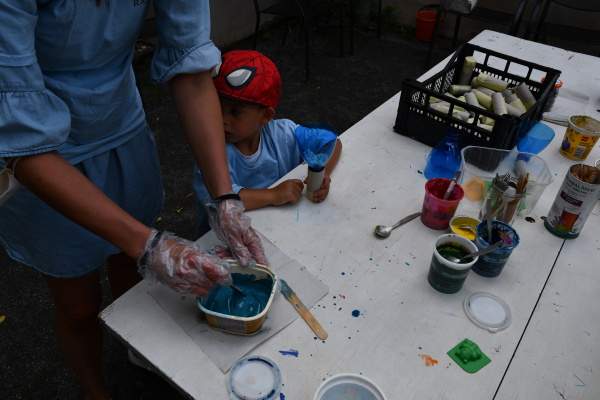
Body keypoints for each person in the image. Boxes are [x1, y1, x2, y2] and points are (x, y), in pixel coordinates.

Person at [0, 1, 266, 399]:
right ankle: (95, 392)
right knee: (78, 306)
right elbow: (20, 135)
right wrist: (152, 245)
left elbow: (193, 73)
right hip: (44, 157)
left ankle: (138, 356)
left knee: (135, 273)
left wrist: (226, 198)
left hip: (121, 125)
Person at [194, 50, 342, 232]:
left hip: (280, 229)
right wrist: (273, 195)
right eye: (217, 108)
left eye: (234, 112)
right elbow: (222, 200)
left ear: (266, 116)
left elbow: (332, 142)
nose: (222, 119)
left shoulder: (283, 133)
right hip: (225, 234)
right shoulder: (210, 153)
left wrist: (323, 173)